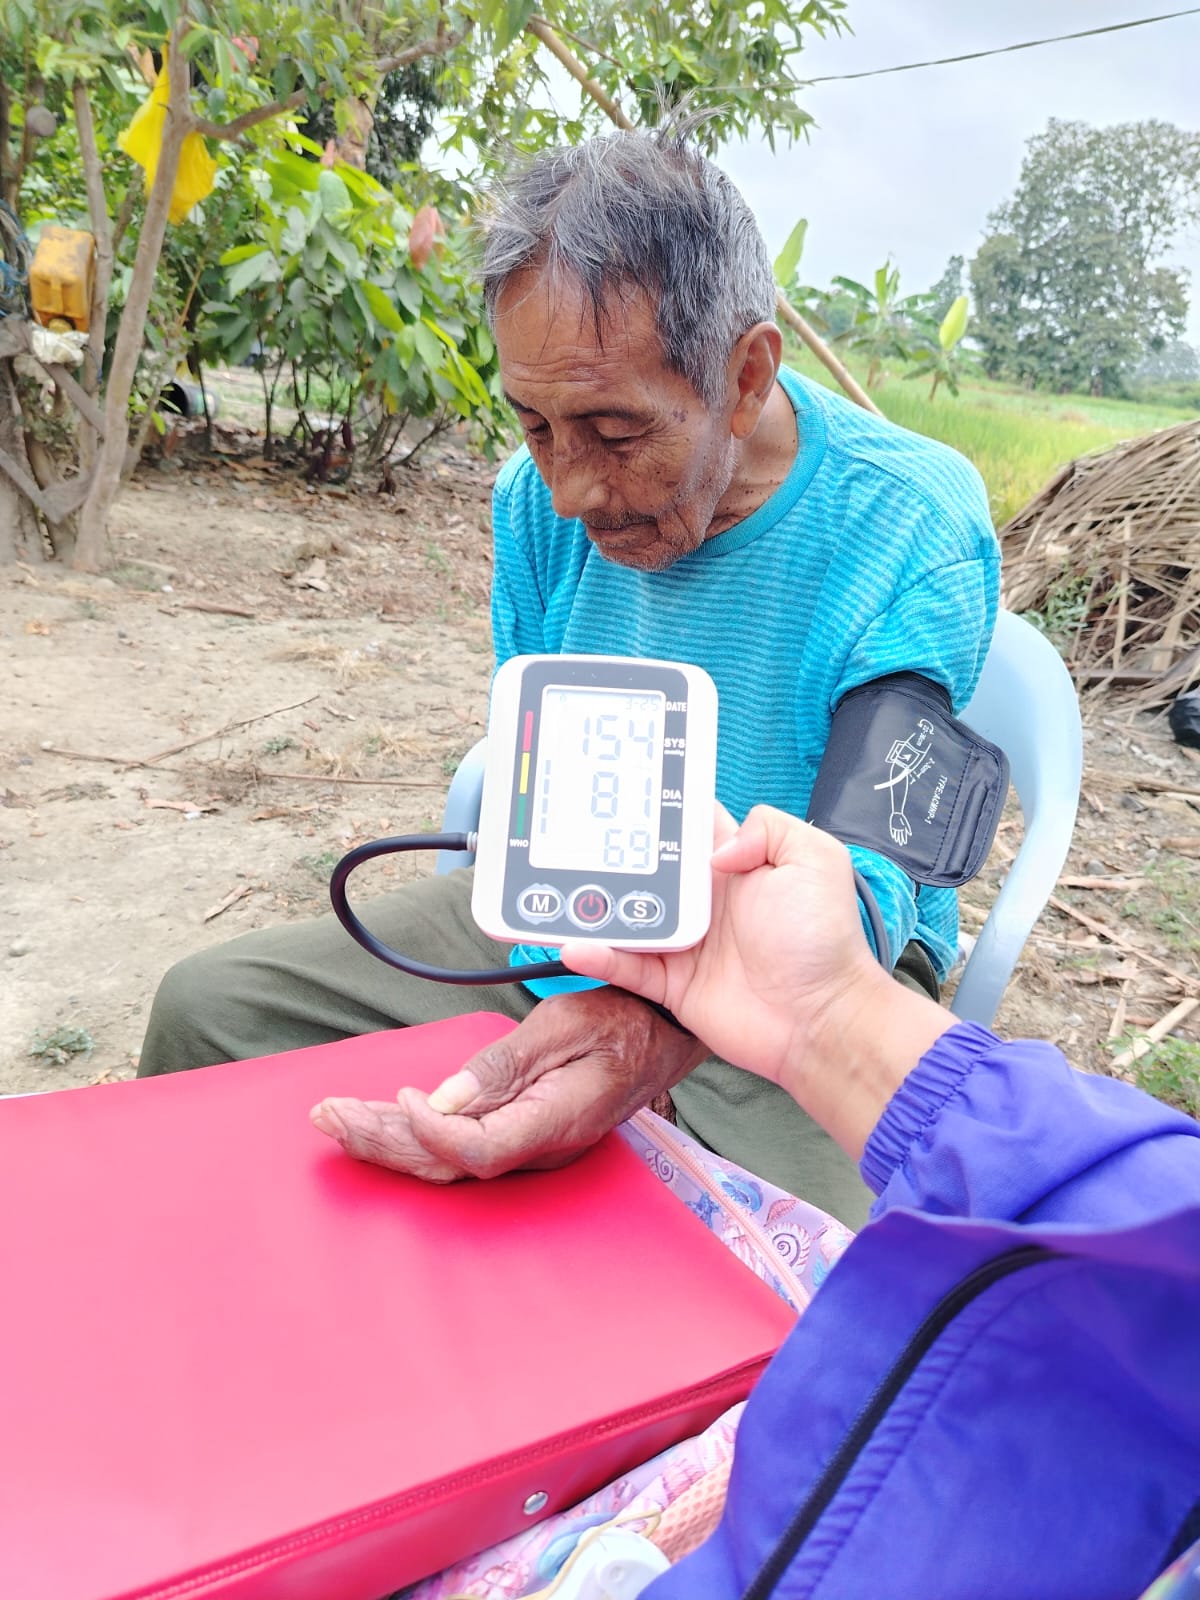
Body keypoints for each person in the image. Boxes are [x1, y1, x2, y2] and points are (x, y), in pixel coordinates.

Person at [139, 114, 999, 1227]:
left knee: (830, 1271)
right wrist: (594, 974)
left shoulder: (910, 518)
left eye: (615, 431)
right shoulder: (530, 503)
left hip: (818, 974)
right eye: (536, 426)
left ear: (745, 376)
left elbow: (876, 864)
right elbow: (541, 781)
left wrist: (659, 1026)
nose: (569, 491)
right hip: (577, 911)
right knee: (208, 1010)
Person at [346, 803, 1199, 1599]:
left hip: (835, 936)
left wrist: (712, 1016)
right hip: (661, 937)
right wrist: (823, 1016)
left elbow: (898, 813)